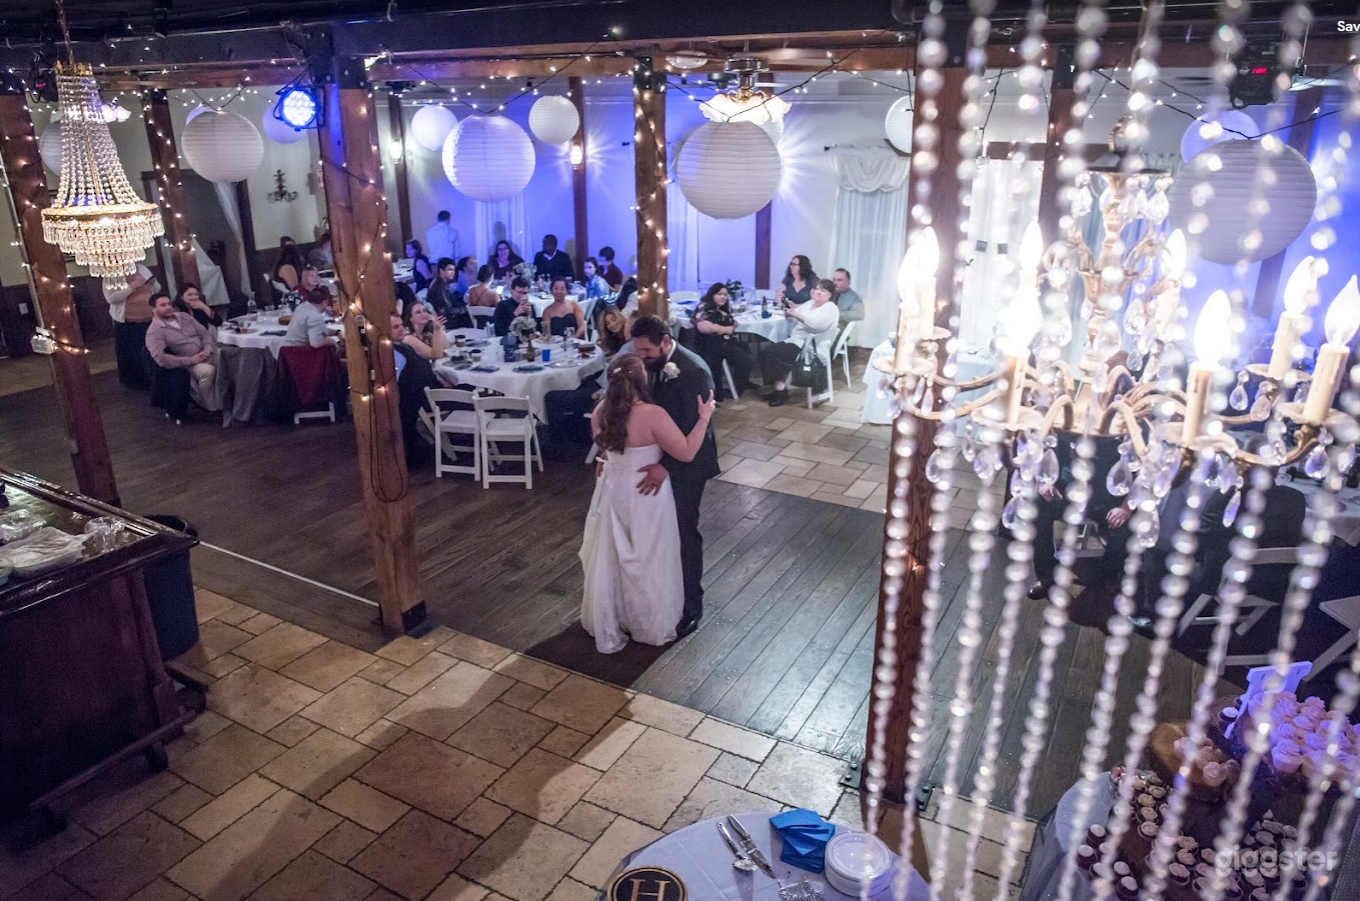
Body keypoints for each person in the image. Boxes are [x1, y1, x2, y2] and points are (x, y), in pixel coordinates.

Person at [580, 353, 716, 653]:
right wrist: (705, 416)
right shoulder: (651, 414)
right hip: (646, 494)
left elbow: (608, 451)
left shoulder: (601, 410)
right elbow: (687, 452)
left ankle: (615, 615)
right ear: (640, 379)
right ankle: (646, 620)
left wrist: (603, 460)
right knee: (648, 557)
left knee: (615, 553)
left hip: (614, 489)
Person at [628, 315, 720, 638]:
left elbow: (698, 429)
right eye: (636, 349)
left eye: (647, 350)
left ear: (666, 342)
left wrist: (667, 465)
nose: (641, 356)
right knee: (660, 530)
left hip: (689, 464)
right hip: (660, 456)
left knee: (683, 531)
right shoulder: (651, 363)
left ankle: (692, 603)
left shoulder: (692, 371)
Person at [1030, 435, 1132, 601]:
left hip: (1106, 498)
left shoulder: (1125, 428)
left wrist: (1125, 507)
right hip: (1064, 491)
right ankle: (1045, 576)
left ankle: (1110, 574)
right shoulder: (1069, 422)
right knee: (1039, 513)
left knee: (1124, 531)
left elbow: (1141, 471)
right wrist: (1045, 482)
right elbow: (1048, 452)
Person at [760, 278, 840, 407]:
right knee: (766, 352)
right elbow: (796, 319)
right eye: (817, 288)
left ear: (830, 295)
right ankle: (778, 388)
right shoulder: (810, 303)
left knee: (771, 353)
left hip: (810, 347)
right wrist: (790, 313)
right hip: (796, 341)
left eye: (823, 290)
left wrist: (796, 315)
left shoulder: (830, 308)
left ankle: (780, 391)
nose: (818, 292)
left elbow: (816, 325)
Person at [145, 292, 219, 414]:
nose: (168, 307)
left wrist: (207, 349)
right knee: (208, 372)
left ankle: (235, 401)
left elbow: (204, 333)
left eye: (169, 304)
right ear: (153, 310)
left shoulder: (184, 317)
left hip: (206, 352)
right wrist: (191, 360)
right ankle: (211, 408)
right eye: (163, 305)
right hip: (189, 362)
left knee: (229, 358)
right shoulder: (155, 332)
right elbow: (160, 358)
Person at [693, 282, 752, 402]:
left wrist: (731, 324)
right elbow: (704, 327)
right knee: (744, 358)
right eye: (719, 294)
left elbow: (731, 322)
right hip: (711, 345)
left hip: (724, 342)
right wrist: (727, 329)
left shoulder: (721, 309)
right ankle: (733, 389)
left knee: (746, 350)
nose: (723, 297)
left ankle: (739, 384)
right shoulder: (705, 307)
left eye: (725, 294)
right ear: (712, 294)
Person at [104, 263, 158, 390]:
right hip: (128, 322)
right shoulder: (111, 275)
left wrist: (153, 282)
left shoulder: (143, 268)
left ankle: (154, 379)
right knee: (134, 354)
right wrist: (131, 287)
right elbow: (111, 299)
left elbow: (156, 290)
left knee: (152, 351)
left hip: (150, 320)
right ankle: (136, 383)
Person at [425, 257, 473, 329]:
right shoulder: (440, 287)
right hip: (447, 321)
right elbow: (448, 311)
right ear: (441, 271)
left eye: (453, 269)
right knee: (473, 316)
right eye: (449, 269)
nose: (453, 272)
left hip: (446, 317)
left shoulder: (440, 282)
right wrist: (465, 308)